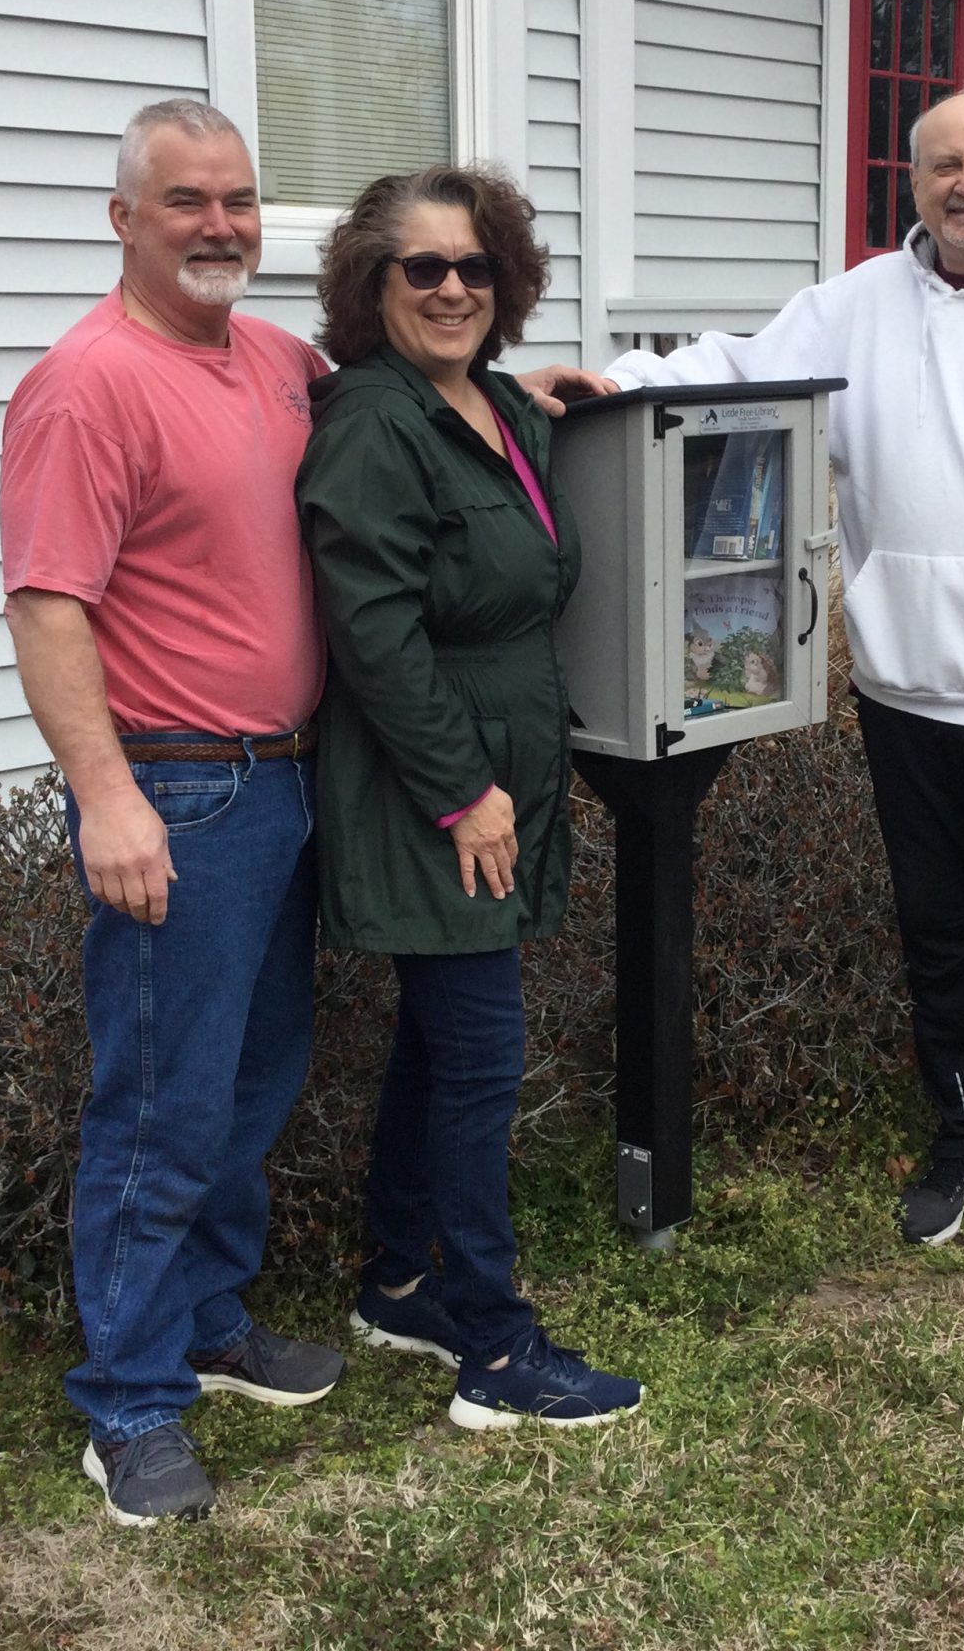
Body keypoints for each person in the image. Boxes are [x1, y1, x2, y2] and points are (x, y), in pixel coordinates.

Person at [526, 91, 964, 1334]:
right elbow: (734, 363)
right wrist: (613, 379)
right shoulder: (858, 303)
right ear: (914, 182)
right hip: (905, 699)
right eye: (942, 165)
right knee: (936, 941)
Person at [0, 98, 343, 1528]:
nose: (221, 226)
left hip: (293, 779)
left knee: (249, 1084)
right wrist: (107, 796)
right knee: (156, 1105)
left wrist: (540, 398)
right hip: (181, 793)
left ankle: (207, 1320)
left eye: (240, 200)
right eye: (187, 200)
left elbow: (408, 416)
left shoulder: (279, 360)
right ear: (125, 218)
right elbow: (47, 601)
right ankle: (130, 1406)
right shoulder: (86, 383)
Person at [296, 163, 644, 1429]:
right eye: (422, 269)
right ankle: (495, 1350)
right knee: (482, 1056)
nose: (452, 289)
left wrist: (545, 399)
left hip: (499, 757)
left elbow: (508, 467)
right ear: (369, 285)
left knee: (439, 1040)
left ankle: (397, 1281)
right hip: (433, 774)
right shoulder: (372, 422)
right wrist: (463, 794)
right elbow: (373, 628)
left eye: (474, 268)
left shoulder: (487, 402)